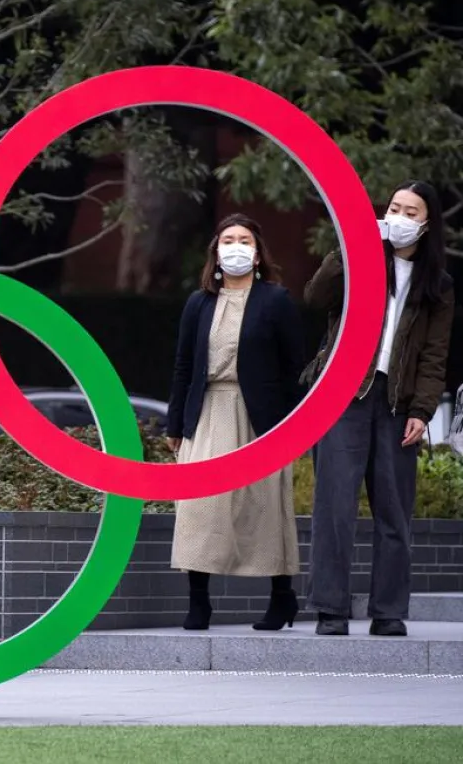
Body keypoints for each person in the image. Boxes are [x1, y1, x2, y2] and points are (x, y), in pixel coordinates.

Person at [304, 181, 454, 637]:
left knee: (394, 511)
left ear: (427, 225)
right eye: (394, 208)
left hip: (397, 403)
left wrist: (423, 411)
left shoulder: (438, 284)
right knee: (335, 507)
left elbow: (434, 354)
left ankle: (388, 611)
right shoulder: (363, 259)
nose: (400, 218)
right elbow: (315, 297)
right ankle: (331, 609)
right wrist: (353, 246)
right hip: (345, 396)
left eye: (411, 212)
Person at [166, 214, 305, 631]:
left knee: (263, 507)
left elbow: (294, 368)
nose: (236, 247)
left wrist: (294, 428)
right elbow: (183, 366)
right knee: (198, 507)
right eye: (228, 239)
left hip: (260, 418)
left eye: (245, 239)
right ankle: (198, 602)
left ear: (258, 252)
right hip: (208, 410)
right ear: (216, 251)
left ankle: (282, 598)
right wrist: (175, 424)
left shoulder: (276, 300)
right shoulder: (199, 302)